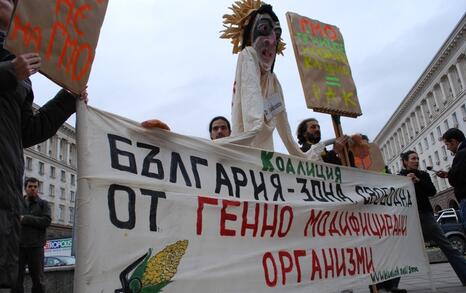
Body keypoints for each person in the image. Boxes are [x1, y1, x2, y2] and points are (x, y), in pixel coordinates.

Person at [0, 0, 87, 288]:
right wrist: (9, 71)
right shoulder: (14, 67)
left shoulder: (20, 68)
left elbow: (29, 131)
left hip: (6, 196)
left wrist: (67, 98)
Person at [219, 1, 317, 159]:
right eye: (264, 29)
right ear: (250, 35)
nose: (271, 41)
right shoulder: (247, 55)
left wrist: (304, 156)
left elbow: (283, 122)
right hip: (247, 153)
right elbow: (253, 116)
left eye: (276, 35)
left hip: (264, 158)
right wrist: (221, 148)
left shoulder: (273, 80)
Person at [398, 151, 466, 287]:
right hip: (409, 218)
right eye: (413, 159)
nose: (416, 161)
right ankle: (389, 285)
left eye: (417, 158)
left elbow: (432, 191)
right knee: (399, 251)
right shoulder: (398, 177)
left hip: (426, 215)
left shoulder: (423, 175)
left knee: (447, 246)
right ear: (405, 161)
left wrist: (418, 181)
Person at [14, 177, 51, 293]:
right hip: (19, 247)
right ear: (25, 188)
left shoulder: (43, 204)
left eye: (35, 187)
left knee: (38, 280)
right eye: (30, 186)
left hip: (36, 247)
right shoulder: (18, 203)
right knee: (15, 279)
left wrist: (26, 219)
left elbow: (46, 221)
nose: (33, 189)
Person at [436, 128, 466, 225]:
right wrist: (449, 174)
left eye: (447, 145)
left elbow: (456, 179)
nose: (447, 148)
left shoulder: (461, 154)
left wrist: (450, 175)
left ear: (453, 141)